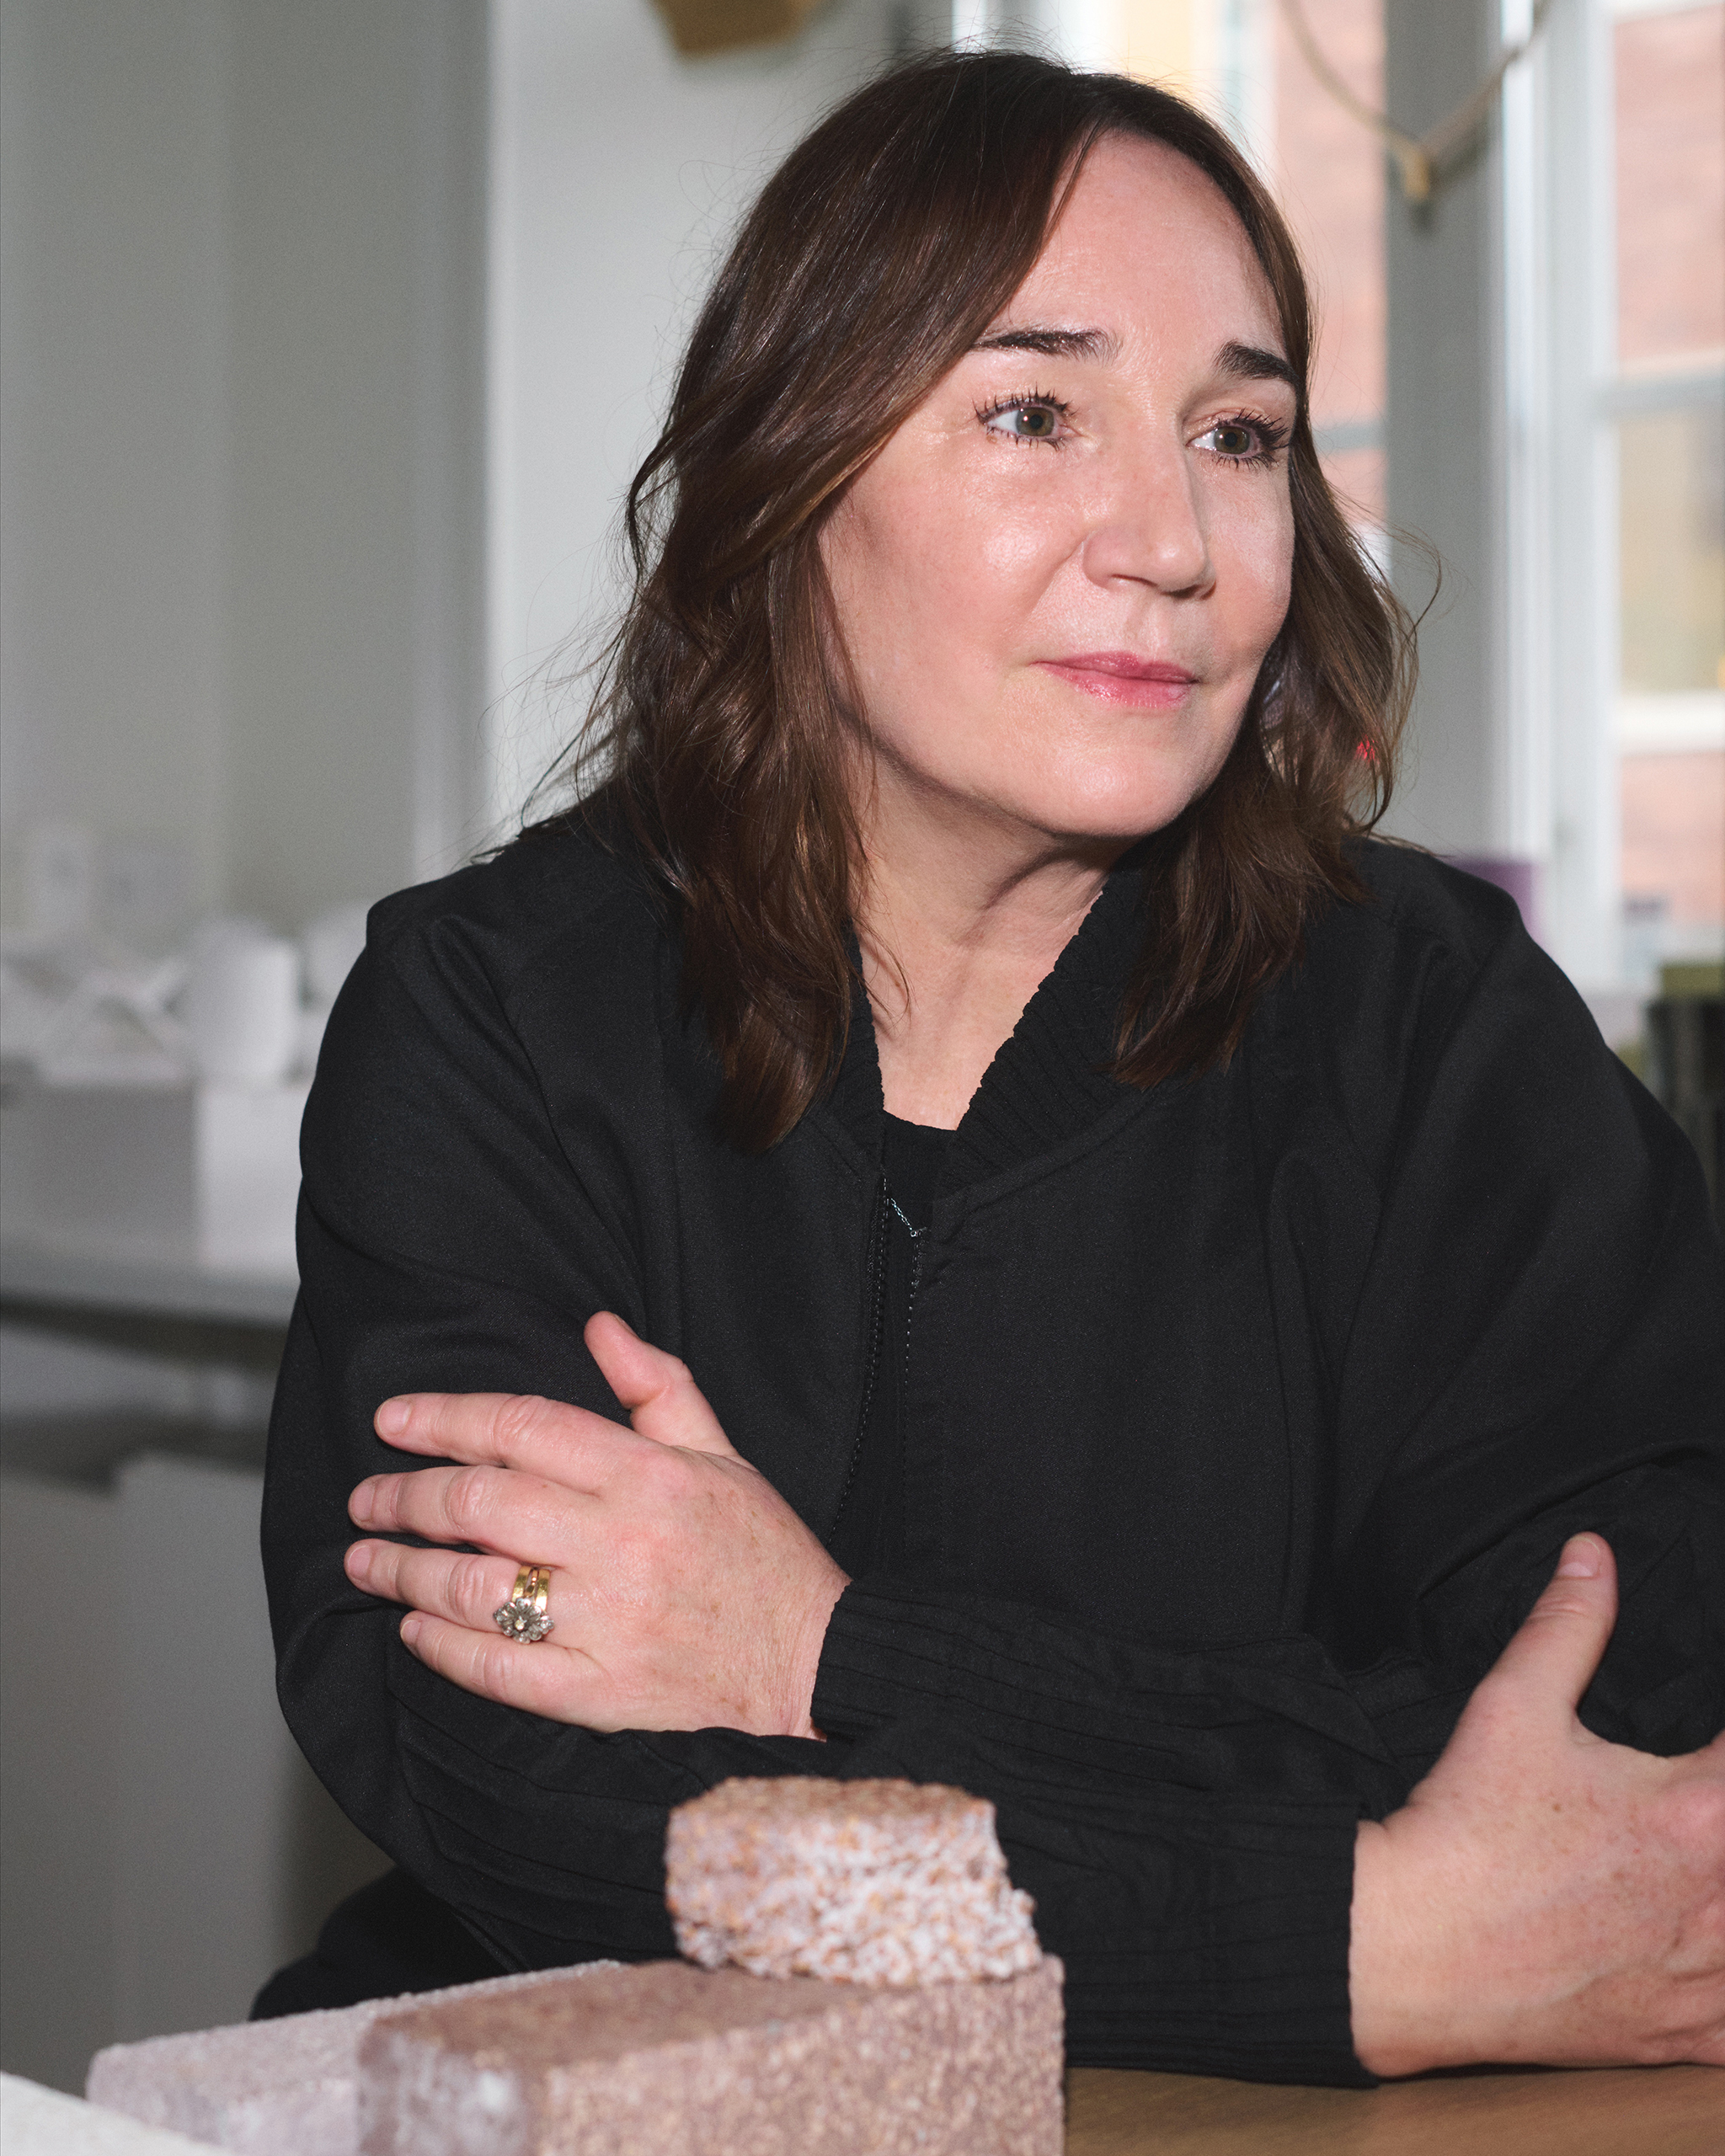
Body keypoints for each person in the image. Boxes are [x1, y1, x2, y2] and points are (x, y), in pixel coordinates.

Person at [259, 51, 1724, 2082]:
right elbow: (527, 1797)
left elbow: (1627, 1742)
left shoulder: (1432, 1024)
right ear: (787, 473)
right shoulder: (497, 1014)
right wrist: (1345, 1936)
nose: (1173, 538)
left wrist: (826, 1650)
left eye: (1237, 432)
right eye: (1034, 411)